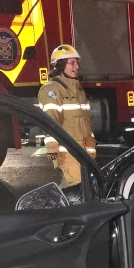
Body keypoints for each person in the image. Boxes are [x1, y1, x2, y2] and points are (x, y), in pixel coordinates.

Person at [38, 44, 97, 188]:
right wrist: (52, 148)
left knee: (78, 188)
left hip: (84, 151)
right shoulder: (52, 89)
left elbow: (85, 122)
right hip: (69, 151)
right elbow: (51, 120)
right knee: (78, 186)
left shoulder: (77, 89)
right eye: (72, 63)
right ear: (60, 65)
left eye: (77, 63)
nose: (76, 67)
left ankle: (58, 202)